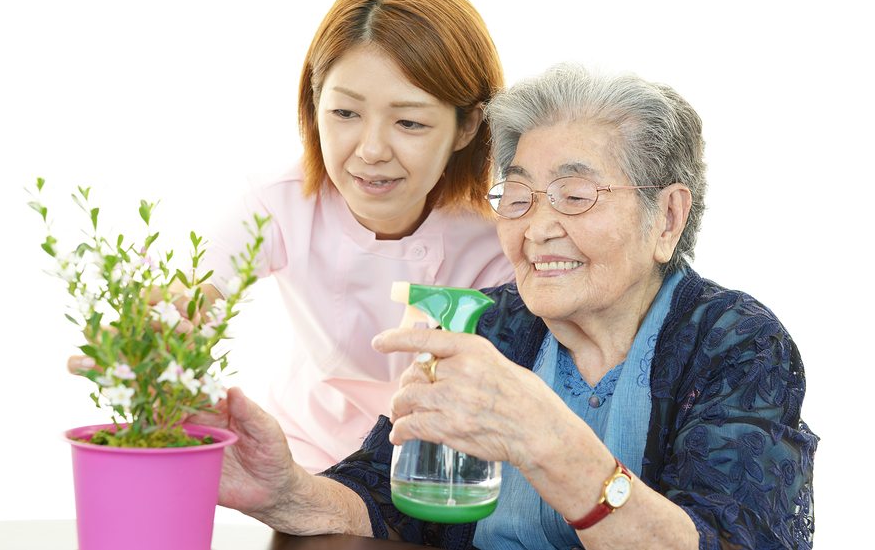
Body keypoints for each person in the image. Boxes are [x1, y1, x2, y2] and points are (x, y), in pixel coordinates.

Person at [192, 63, 817, 549]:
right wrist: (285, 494)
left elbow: (733, 540)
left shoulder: (736, 343)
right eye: (516, 196)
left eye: (574, 195)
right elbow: (384, 500)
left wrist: (550, 442)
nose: (537, 226)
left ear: (668, 217)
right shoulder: (485, 324)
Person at [169, 0, 515, 472]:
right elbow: (191, 294)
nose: (371, 151)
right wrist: (155, 333)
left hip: (436, 475)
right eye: (345, 113)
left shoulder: (500, 236)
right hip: (305, 461)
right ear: (314, 105)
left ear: (467, 126)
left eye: (410, 122)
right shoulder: (280, 204)